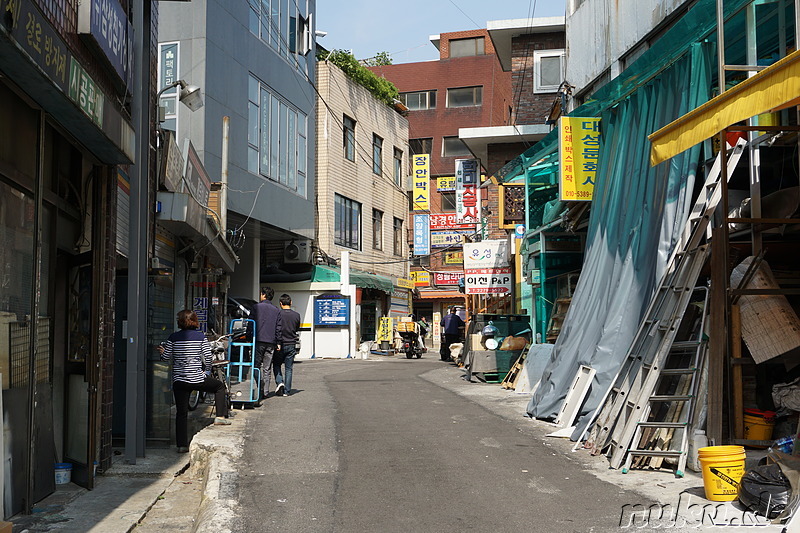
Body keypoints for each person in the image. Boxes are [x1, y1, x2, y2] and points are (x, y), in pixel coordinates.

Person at [159, 309, 230, 453]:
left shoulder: (173, 337)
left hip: (179, 380)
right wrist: (207, 371)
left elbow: (165, 357)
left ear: (180, 322)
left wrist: (162, 351)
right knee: (219, 387)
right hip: (197, 378)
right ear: (194, 321)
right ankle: (220, 416)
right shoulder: (200, 337)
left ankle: (182, 445)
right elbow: (208, 357)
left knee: (181, 413)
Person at [253, 286, 282, 404]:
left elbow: (251, 324)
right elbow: (278, 328)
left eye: (261, 294)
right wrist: (278, 342)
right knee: (267, 367)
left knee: (256, 365)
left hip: (258, 340)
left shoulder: (256, 307)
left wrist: (250, 337)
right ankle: (265, 392)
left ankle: (257, 388)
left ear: (264, 295)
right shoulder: (276, 310)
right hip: (271, 342)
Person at [273, 294, 301, 396]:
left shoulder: (278, 314)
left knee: (276, 365)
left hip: (279, 344)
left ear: (280, 303)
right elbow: (296, 328)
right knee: (289, 368)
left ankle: (280, 382)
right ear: (291, 302)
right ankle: (287, 391)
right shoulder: (296, 315)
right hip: (291, 343)